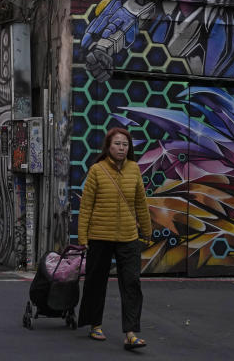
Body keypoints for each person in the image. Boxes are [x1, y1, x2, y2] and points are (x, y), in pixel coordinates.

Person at [76, 127, 152, 350]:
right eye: (117, 144)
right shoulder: (97, 170)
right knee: (95, 281)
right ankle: (95, 324)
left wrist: (146, 231)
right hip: (100, 234)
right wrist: (83, 237)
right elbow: (86, 205)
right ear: (108, 147)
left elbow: (141, 202)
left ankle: (131, 332)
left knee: (132, 283)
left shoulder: (134, 169)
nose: (121, 148)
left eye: (125, 144)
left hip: (128, 235)